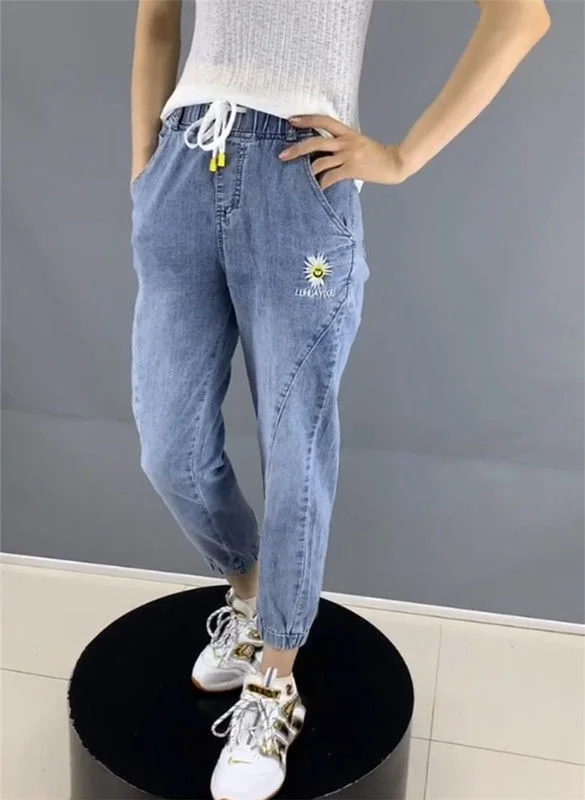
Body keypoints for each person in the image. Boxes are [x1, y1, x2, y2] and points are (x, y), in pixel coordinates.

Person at [130, 1, 550, 798]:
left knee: (296, 447)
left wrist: (402, 156)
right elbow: (156, 22)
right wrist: (144, 164)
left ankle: (274, 681)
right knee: (169, 450)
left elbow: (520, 15)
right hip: (182, 169)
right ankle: (250, 597)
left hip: (297, 184)